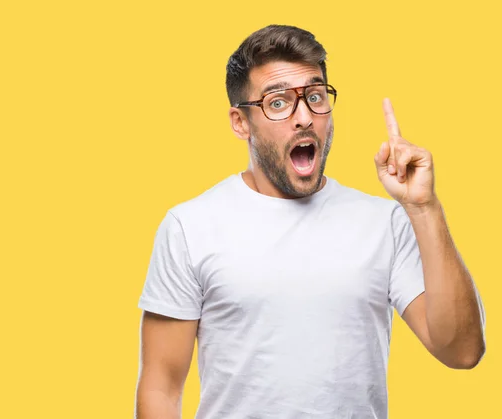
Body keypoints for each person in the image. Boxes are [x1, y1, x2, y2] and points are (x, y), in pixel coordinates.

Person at [134, 24, 486, 419]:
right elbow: (161, 387)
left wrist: (424, 207)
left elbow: (462, 351)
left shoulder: (384, 222)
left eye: (315, 97)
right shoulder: (190, 226)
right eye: (279, 102)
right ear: (240, 122)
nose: (304, 117)